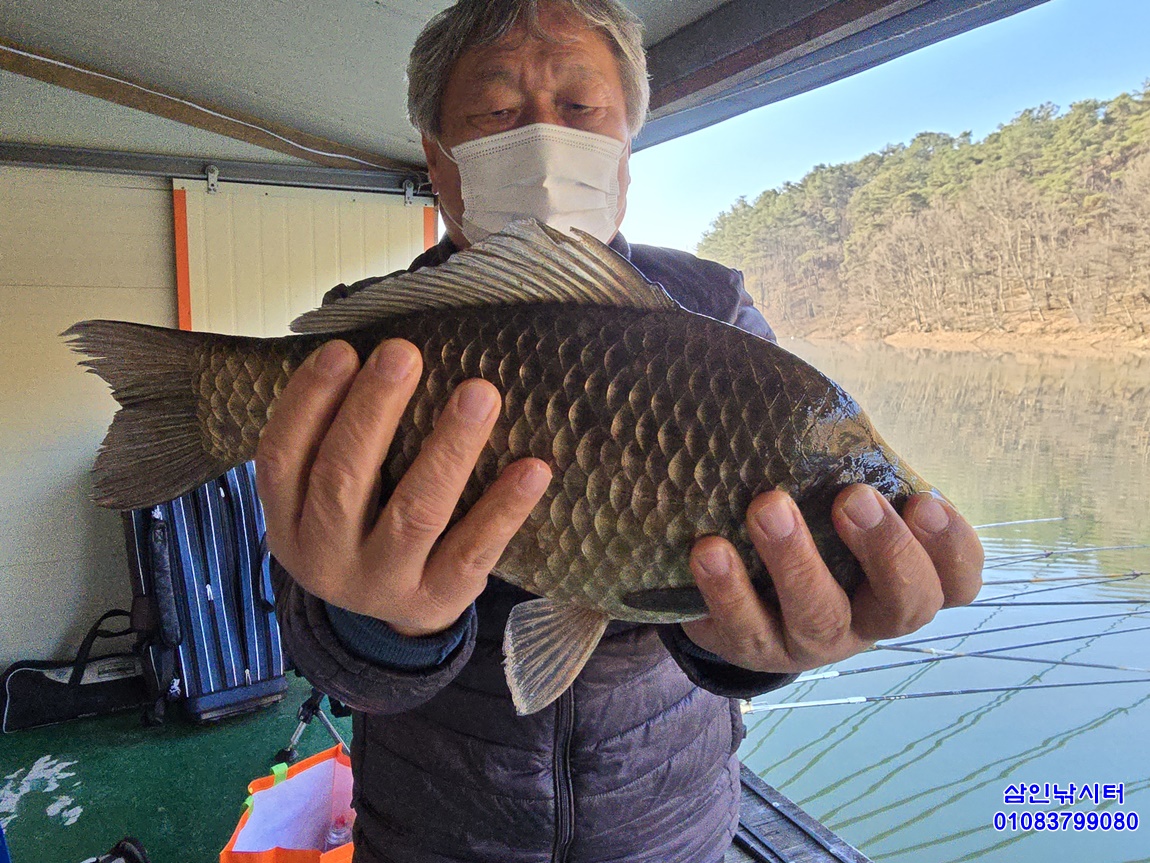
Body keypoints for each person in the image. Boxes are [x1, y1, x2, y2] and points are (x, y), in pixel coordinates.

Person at [256, 1, 984, 860]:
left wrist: (762, 648)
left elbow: (731, 612)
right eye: (494, 114)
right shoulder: (363, 349)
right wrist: (375, 627)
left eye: (581, 109)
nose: (542, 136)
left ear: (626, 152)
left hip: (667, 818)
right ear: (437, 160)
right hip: (431, 822)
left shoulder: (718, 313)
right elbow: (311, 631)